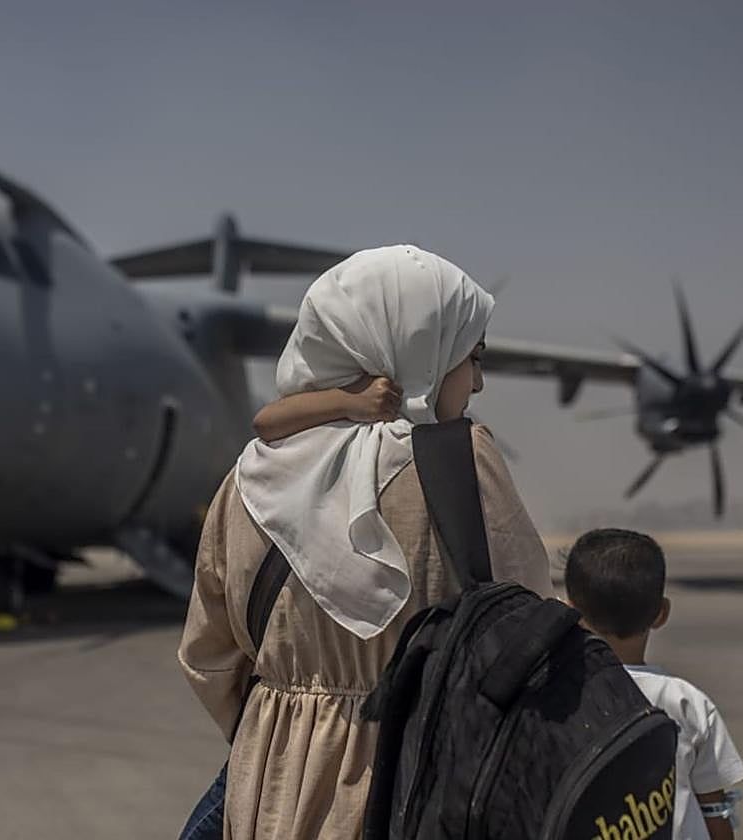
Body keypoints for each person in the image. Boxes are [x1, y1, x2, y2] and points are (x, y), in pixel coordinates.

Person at [178, 245, 552, 840]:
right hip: (423, 781)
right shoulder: (462, 460)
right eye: (470, 356)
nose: (477, 381)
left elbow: (207, 655)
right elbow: (530, 623)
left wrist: (282, 734)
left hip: (270, 789)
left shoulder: (249, 480)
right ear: (416, 349)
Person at [564, 528, 743, 840]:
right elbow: (714, 809)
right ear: (661, 614)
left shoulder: (556, 699)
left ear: (570, 612)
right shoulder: (688, 703)